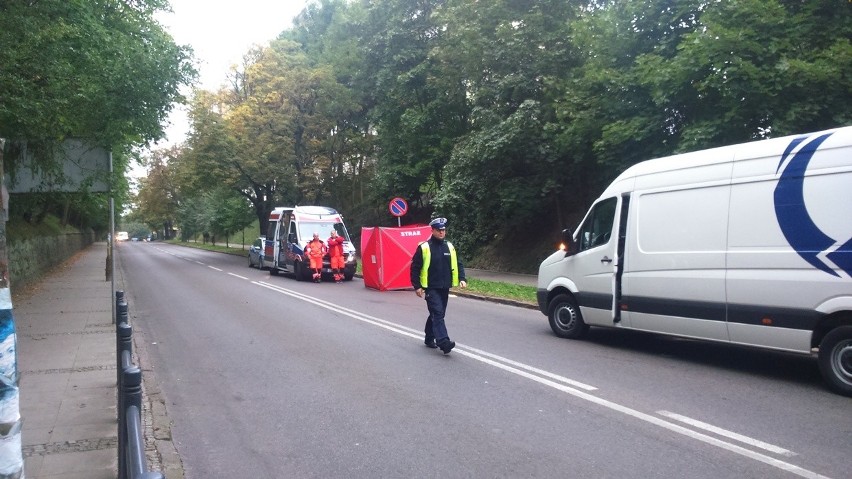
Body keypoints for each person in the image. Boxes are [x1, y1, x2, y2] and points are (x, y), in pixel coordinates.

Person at [410, 217, 467, 354]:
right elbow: (415, 268)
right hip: (430, 287)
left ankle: (429, 337)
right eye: (439, 230)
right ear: (433, 231)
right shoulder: (424, 247)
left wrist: (462, 278)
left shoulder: (450, 246)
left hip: (445, 286)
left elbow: (458, 263)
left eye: (443, 230)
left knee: (438, 314)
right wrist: (417, 286)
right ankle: (443, 342)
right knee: (437, 313)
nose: (442, 232)